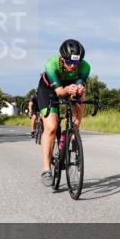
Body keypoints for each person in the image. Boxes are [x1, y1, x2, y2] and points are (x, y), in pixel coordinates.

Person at [36, 40, 90, 187]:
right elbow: (60, 92)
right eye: (68, 61)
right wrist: (66, 90)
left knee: (81, 100)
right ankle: (46, 169)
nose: (72, 65)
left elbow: (79, 85)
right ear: (62, 58)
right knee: (51, 127)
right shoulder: (51, 65)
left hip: (69, 87)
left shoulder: (85, 67)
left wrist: (79, 90)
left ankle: (71, 135)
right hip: (49, 91)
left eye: (76, 62)